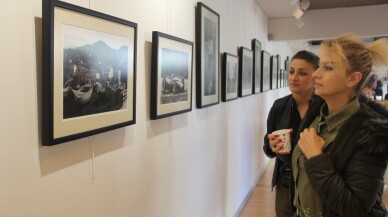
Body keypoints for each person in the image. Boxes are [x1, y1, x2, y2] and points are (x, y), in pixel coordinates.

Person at [292, 33, 388, 217]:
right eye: (320, 65)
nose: (315, 73)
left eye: (327, 68)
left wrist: (316, 158)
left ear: (352, 79)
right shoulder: (316, 114)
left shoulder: (370, 134)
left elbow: (355, 208)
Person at [263, 50, 320, 217]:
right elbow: (267, 148)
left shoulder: (324, 107)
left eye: (302, 73)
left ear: (315, 77)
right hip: (286, 181)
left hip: (314, 182)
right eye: (291, 71)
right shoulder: (279, 107)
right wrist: (272, 146)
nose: (294, 78)